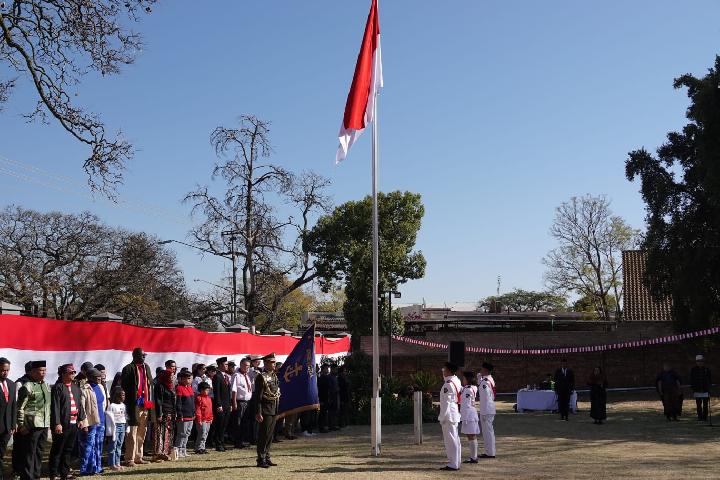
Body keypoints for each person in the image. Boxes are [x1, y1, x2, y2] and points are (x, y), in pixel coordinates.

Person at [49, 364, 87, 480]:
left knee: (68, 449)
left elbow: (79, 404)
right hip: (62, 423)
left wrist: (81, 418)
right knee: (58, 449)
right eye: (71, 372)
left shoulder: (76, 387)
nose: (73, 374)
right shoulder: (58, 387)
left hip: (74, 422)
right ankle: (54, 473)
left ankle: (65, 472)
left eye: (74, 372)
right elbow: (55, 407)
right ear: (63, 374)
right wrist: (57, 423)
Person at [15, 360, 51, 480]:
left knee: (39, 452)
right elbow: (20, 407)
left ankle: (36, 476)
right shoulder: (27, 386)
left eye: (45, 370)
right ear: (33, 372)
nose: (44, 373)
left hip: (44, 424)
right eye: (41, 370)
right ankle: (27, 477)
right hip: (30, 426)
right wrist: (21, 425)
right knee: (29, 454)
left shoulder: (46, 385)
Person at [120, 347, 155, 467]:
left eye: (145, 355)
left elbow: (150, 386)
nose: (144, 357)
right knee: (132, 433)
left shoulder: (147, 368)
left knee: (142, 432)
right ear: (134, 356)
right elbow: (124, 388)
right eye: (142, 355)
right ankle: (129, 458)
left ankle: (138, 456)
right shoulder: (128, 369)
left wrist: (149, 403)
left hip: (145, 404)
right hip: (133, 405)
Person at [252, 353, 281, 468]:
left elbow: (276, 393)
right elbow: (258, 397)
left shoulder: (274, 376)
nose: (274, 364)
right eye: (272, 362)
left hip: (274, 409)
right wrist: (258, 412)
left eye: (274, 362)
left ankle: (267, 456)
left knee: (270, 435)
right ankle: (261, 458)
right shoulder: (261, 377)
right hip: (265, 409)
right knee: (263, 435)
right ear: (266, 363)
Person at [80, 368, 107, 475]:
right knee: (88, 446)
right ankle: (86, 469)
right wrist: (84, 423)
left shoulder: (100, 386)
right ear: (91, 377)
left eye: (100, 376)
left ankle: (97, 467)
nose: (99, 378)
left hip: (101, 421)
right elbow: (82, 407)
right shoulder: (85, 388)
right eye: (97, 377)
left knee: (98, 445)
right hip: (90, 423)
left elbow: (104, 403)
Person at [438, 361, 461, 471]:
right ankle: (456, 461)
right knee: (455, 438)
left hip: (449, 415)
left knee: (451, 439)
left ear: (448, 371)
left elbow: (446, 403)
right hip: (454, 413)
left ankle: (453, 463)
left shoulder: (448, 384)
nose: (443, 372)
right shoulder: (456, 380)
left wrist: (442, 417)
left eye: (444, 370)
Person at [11, 361, 32, 477]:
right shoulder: (20, 383)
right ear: (29, 371)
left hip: (32, 422)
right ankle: (17, 470)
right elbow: (15, 404)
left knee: (28, 447)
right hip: (21, 421)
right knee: (19, 446)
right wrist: (18, 423)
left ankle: (26, 468)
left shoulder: (36, 383)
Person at [0, 358, 17, 480]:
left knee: (1, 453)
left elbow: (13, 406)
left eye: (7, 370)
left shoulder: (11, 384)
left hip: (6, 427)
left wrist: (13, 424)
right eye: (2, 370)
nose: (5, 373)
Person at [153, 368, 176, 462]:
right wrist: (159, 414)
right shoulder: (160, 386)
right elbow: (158, 401)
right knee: (160, 433)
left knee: (168, 434)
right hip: (163, 413)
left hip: (171, 412)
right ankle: (158, 454)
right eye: (170, 376)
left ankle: (166, 452)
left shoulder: (172, 386)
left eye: (172, 376)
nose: (172, 377)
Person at [230, 358, 253, 448]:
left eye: (248, 366)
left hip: (247, 402)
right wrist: (234, 402)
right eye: (245, 365)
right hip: (239, 402)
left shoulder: (246, 376)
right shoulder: (236, 375)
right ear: (241, 365)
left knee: (245, 422)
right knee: (238, 422)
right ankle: (237, 442)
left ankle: (242, 440)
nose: (247, 367)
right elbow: (234, 390)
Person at [211, 357, 231, 452]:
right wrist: (219, 405)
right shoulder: (217, 376)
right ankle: (218, 443)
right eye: (225, 364)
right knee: (220, 424)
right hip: (221, 405)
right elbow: (217, 392)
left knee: (224, 425)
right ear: (219, 365)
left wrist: (230, 404)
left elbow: (228, 392)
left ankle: (222, 442)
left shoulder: (225, 376)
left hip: (226, 404)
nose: (227, 366)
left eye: (227, 364)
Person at [477, 362, 497, 459]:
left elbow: (485, 398)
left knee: (487, 432)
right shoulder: (489, 379)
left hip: (486, 409)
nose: (480, 370)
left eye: (482, 369)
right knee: (488, 431)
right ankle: (490, 451)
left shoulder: (485, 382)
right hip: (489, 408)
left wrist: (483, 411)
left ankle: (490, 453)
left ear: (485, 370)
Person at [105, 387, 128, 472]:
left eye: (124, 395)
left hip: (122, 426)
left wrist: (126, 428)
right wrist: (110, 431)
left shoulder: (123, 405)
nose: (124, 396)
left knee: (119, 445)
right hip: (114, 427)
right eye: (122, 394)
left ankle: (118, 463)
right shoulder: (111, 406)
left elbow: (125, 417)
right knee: (113, 446)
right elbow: (108, 420)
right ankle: (112, 464)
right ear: (117, 395)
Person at [460, 371, 480, 464]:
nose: (462, 380)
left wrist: (464, 418)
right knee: (471, 435)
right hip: (471, 414)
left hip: (469, 415)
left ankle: (473, 457)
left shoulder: (468, 389)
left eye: (463, 378)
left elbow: (466, 404)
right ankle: (473, 457)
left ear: (467, 379)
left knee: (471, 435)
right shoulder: (471, 388)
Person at [174, 371, 195, 458]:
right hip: (183, 415)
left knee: (187, 433)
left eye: (190, 378)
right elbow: (178, 403)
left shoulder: (190, 388)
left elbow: (192, 402)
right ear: (182, 379)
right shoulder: (179, 388)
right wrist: (180, 414)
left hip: (190, 415)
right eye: (187, 378)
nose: (189, 380)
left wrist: (193, 412)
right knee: (181, 433)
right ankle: (178, 450)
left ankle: (183, 449)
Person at [690, 354, 712, 421]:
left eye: (701, 361)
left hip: (705, 389)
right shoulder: (693, 370)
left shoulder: (706, 369)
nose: (700, 362)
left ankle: (705, 417)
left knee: (705, 404)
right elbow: (691, 379)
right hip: (697, 389)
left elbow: (709, 379)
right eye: (698, 361)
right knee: (698, 404)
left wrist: (709, 387)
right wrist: (693, 388)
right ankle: (700, 417)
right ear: (696, 362)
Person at [194, 382, 213, 454]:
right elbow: (198, 409)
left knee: (206, 434)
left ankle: (202, 447)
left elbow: (210, 409)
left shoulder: (209, 398)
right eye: (206, 390)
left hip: (208, 419)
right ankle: (198, 448)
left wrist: (211, 418)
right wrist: (199, 419)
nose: (207, 391)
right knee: (201, 433)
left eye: (208, 390)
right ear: (201, 390)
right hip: (202, 419)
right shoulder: (199, 398)